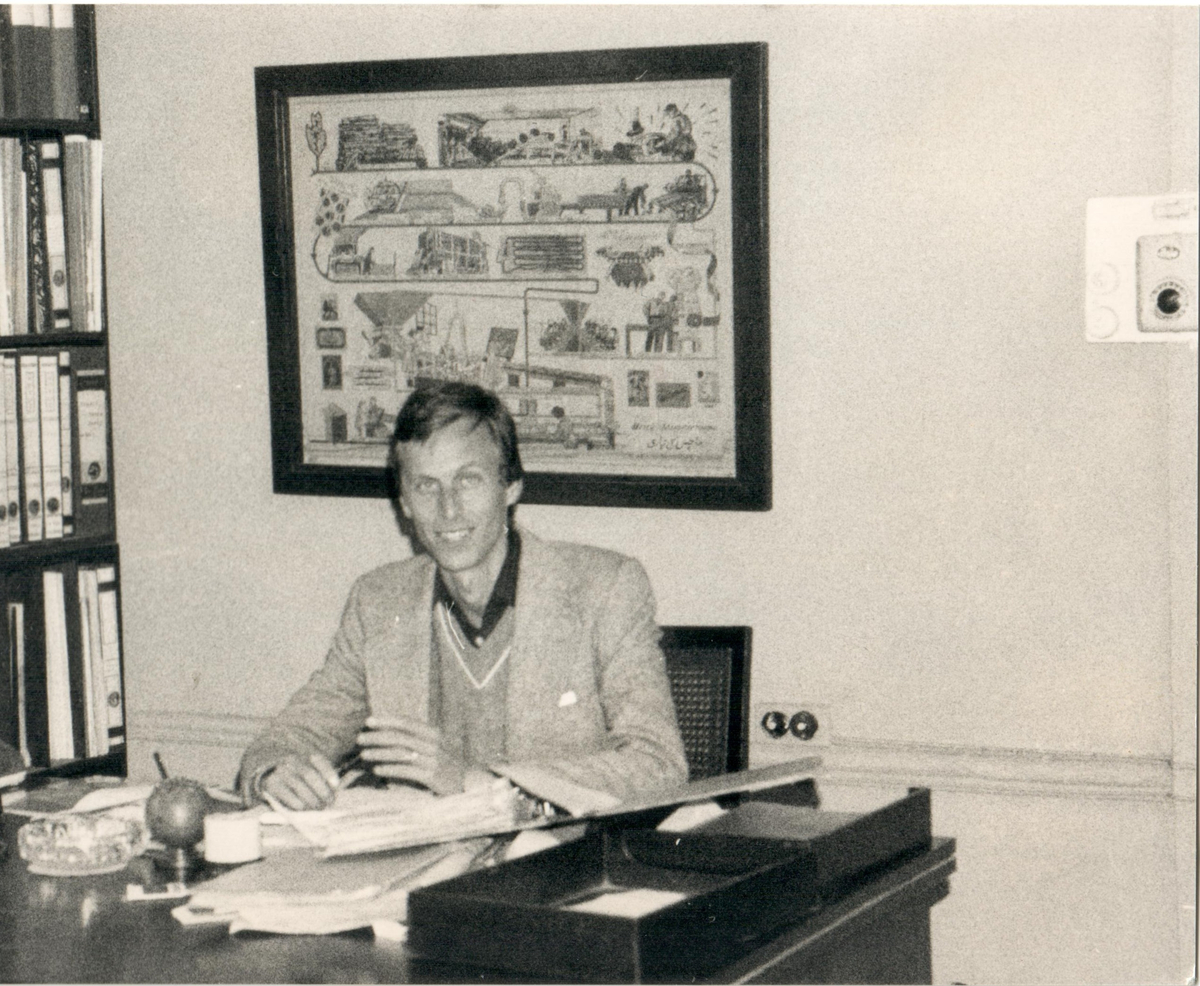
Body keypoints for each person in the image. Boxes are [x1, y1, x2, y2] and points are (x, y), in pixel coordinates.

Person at [238, 382, 686, 809]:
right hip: (423, 853)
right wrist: (275, 772)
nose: (448, 509)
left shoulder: (605, 589)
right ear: (404, 502)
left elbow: (658, 765)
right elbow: (295, 734)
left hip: (557, 853)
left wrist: (474, 782)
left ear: (511, 486)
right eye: (426, 486)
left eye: (468, 481)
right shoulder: (378, 600)